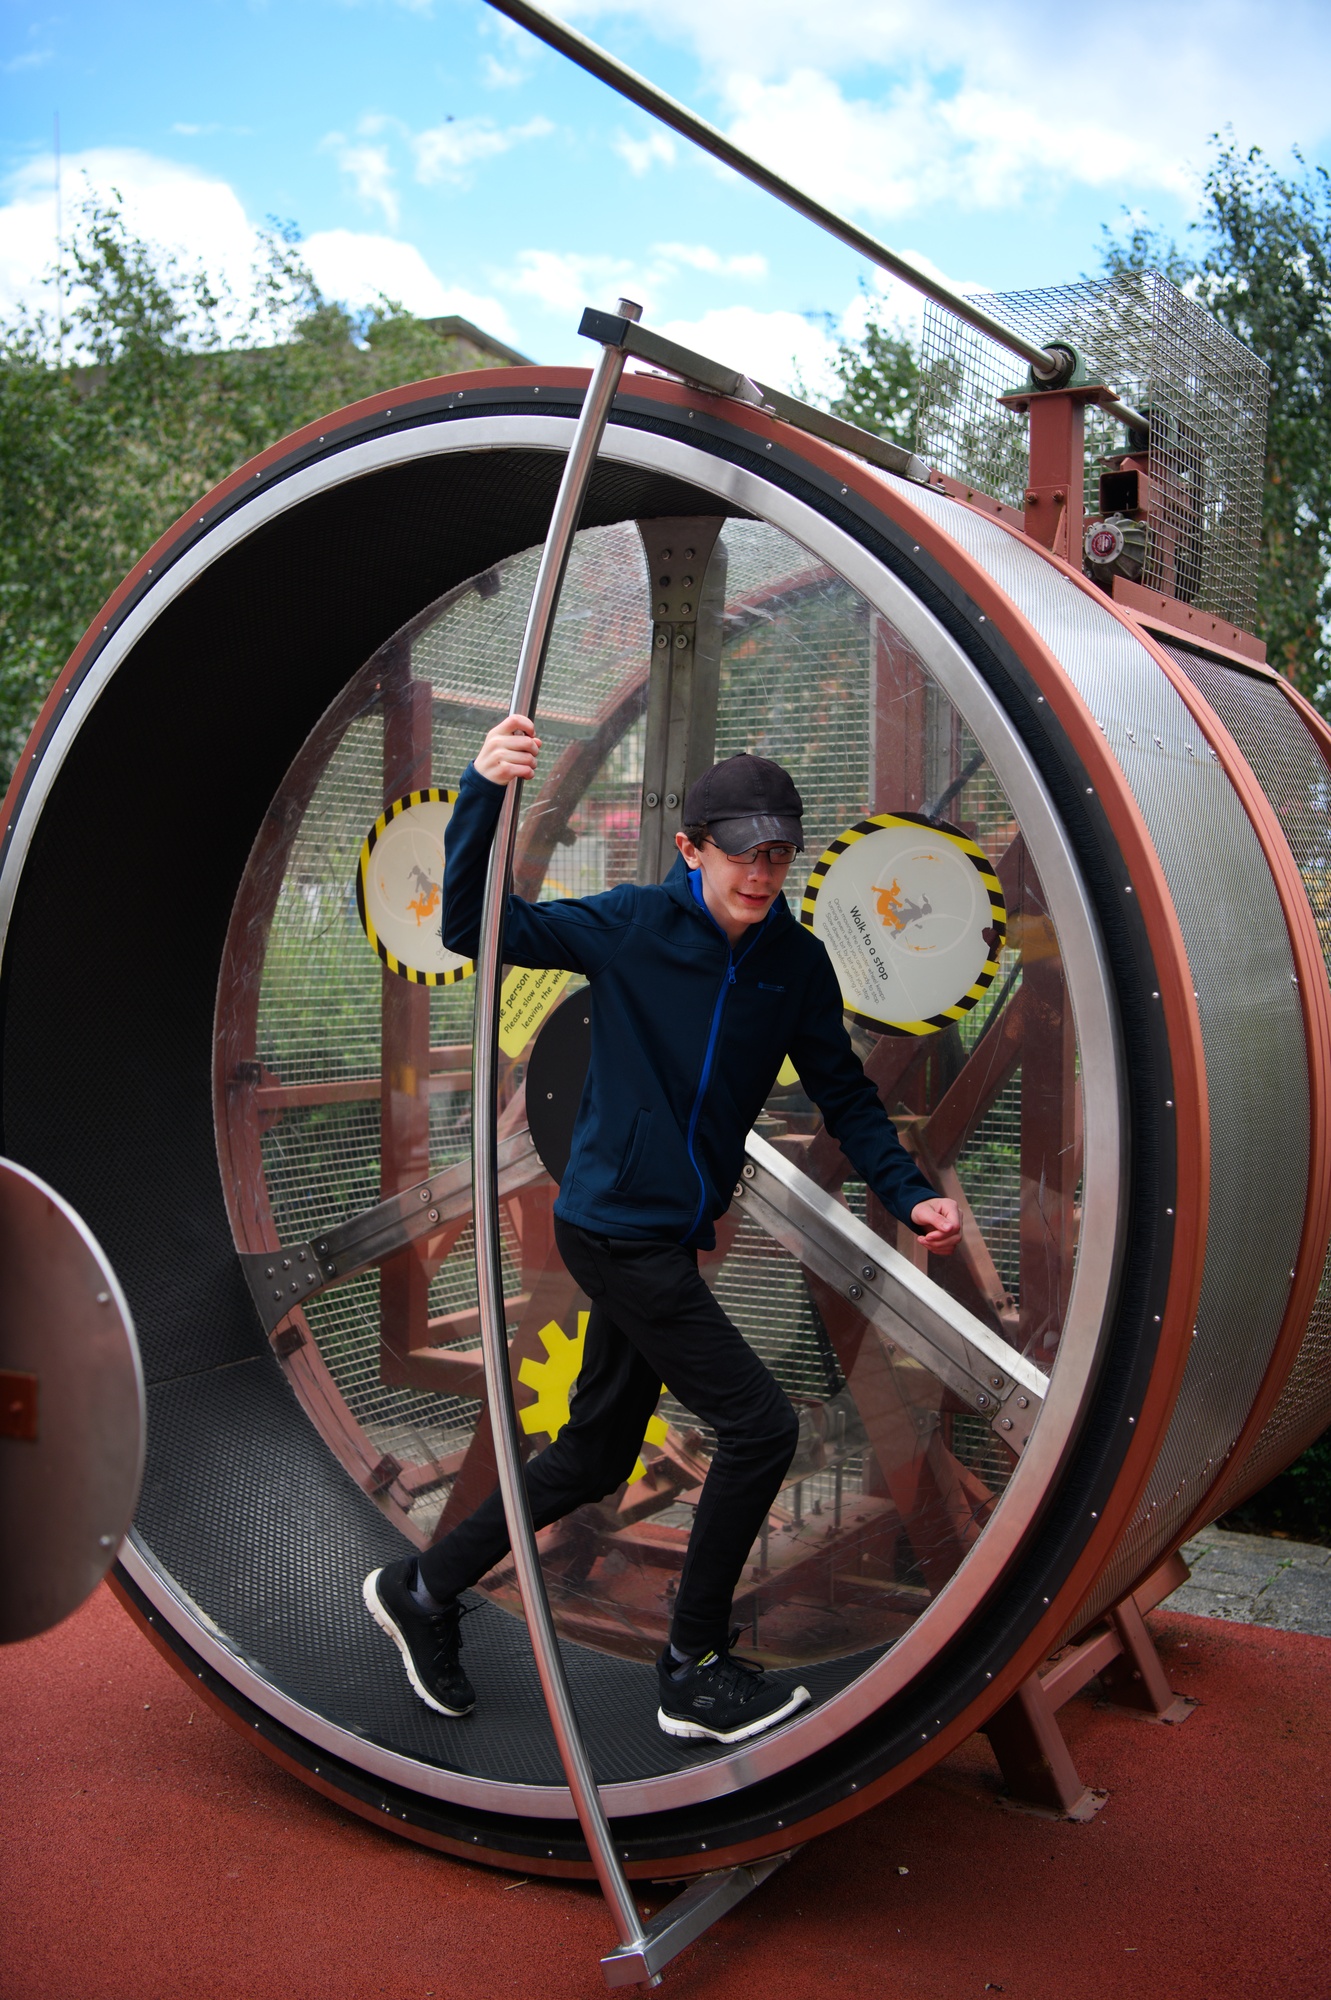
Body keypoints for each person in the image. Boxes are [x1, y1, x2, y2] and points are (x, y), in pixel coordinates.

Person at [365, 717, 961, 1745]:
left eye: (778, 854)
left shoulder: (794, 965)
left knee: (593, 1456)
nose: (761, 874)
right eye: (742, 853)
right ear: (691, 848)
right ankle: (690, 1668)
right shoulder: (632, 924)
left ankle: (421, 1589)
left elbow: (845, 1095)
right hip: (612, 1228)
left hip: (670, 1235)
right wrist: (482, 791)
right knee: (761, 1428)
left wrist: (908, 1192)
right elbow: (471, 927)